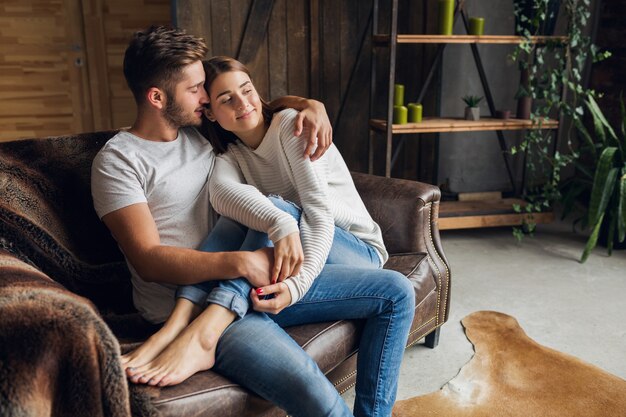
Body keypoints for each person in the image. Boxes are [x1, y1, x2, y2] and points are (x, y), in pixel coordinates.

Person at [113, 54, 416, 417]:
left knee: (277, 210)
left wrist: (294, 279)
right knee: (256, 214)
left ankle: (209, 324)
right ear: (209, 111)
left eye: (247, 90)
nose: (243, 103)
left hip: (348, 247)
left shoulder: (291, 127)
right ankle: (185, 321)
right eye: (218, 98)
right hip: (271, 263)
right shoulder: (222, 155)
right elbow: (222, 196)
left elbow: (317, 216)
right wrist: (278, 226)